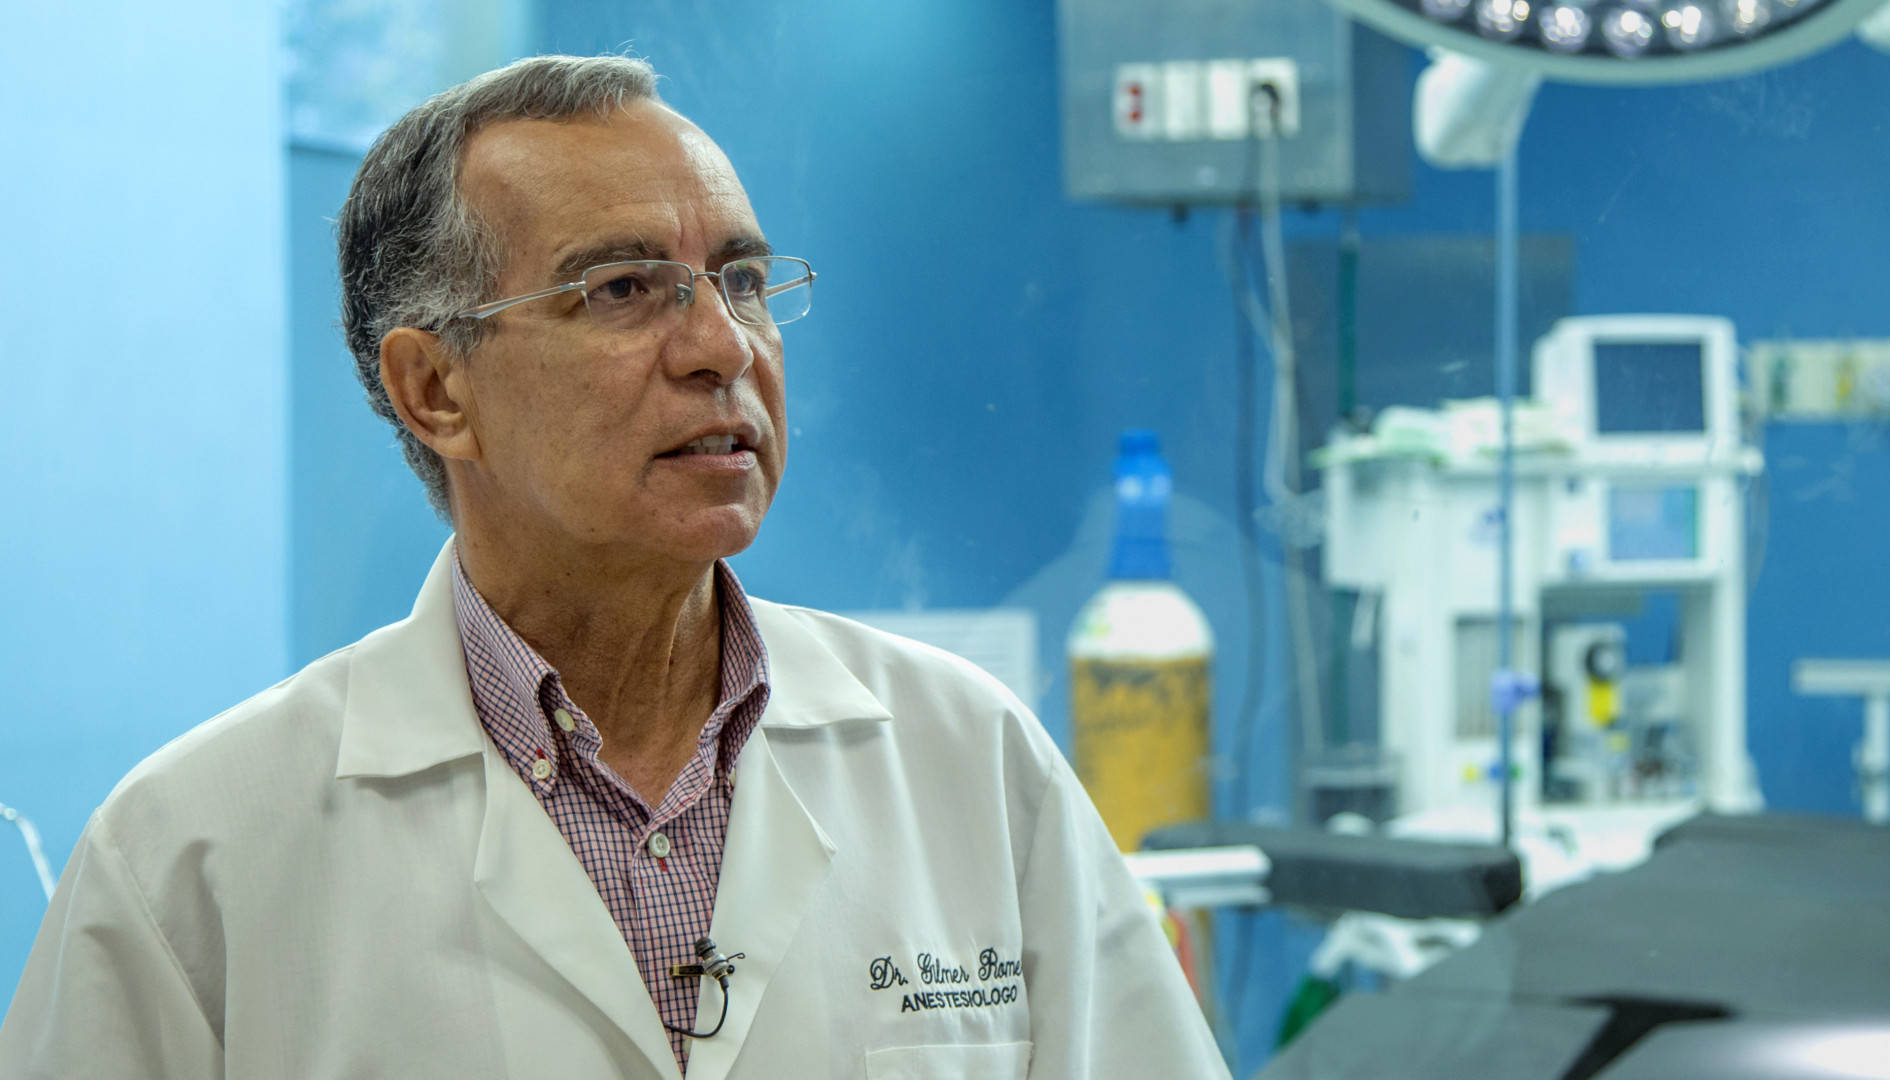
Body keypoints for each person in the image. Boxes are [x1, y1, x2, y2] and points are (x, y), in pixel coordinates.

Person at [0, 55, 1226, 1079]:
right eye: (625, 288)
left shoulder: (969, 759)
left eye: (742, 280)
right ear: (435, 390)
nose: (722, 347)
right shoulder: (195, 858)